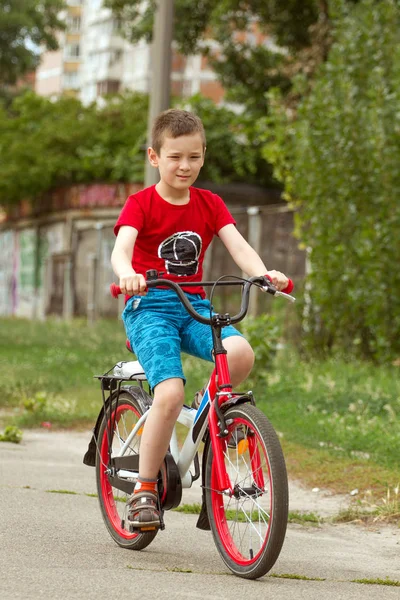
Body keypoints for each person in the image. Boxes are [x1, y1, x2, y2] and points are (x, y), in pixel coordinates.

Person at [111, 108, 289, 532]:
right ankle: (144, 490)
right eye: (174, 157)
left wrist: (263, 274)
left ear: (203, 155)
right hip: (149, 307)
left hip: (193, 305)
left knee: (241, 354)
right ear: (155, 157)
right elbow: (121, 249)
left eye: (193, 156)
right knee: (168, 394)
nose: (184, 166)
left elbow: (239, 247)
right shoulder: (142, 204)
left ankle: (203, 412)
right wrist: (126, 275)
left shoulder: (210, 203)